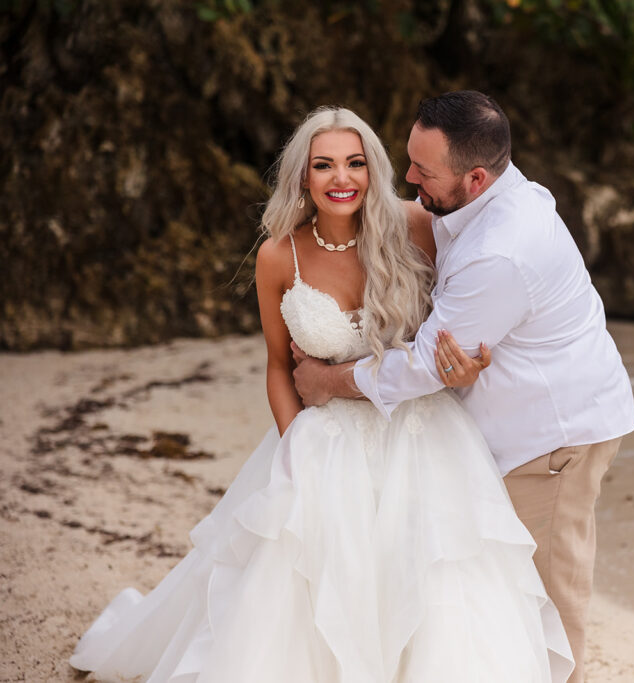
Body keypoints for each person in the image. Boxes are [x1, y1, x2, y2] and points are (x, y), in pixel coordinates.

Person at [69, 106, 574, 683]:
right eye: (325, 165)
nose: (343, 179)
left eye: (357, 163)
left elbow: (460, 329)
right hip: (324, 442)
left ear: (372, 170)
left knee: (437, 581)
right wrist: (294, 447)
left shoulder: (417, 228)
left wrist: (469, 371)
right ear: (302, 176)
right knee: (310, 582)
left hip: (423, 438)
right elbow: (279, 366)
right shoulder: (277, 256)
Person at [292, 91, 634, 683]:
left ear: (476, 178)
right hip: (519, 423)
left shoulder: (500, 252)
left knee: (548, 598)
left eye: (423, 172)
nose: (408, 177)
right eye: (408, 159)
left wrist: (327, 380)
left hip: (551, 441)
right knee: (500, 593)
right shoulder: (491, 194)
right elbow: (430, 234)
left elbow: (426, 366)